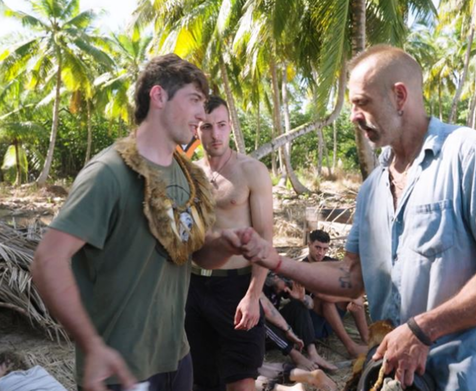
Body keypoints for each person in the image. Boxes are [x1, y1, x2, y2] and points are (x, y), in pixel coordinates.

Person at [241, 44, 476, 391]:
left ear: (399, 97)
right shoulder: (371, 191)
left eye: (361, 102)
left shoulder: (471, 155)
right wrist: (275, 261)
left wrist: (422, 330)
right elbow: (351, 276)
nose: (353, 115)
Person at [31, 54, 258, 391]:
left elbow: (195, 255)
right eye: (194, 100)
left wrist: (225, 243)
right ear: (158, 96)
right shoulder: (109, 173)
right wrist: (91, 346)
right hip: (120, 369)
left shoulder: (189, 177)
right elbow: (48, 262)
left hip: (177, 357)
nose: (201, 114)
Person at [185, 96, 272, 391]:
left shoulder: (251, 171)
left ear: (230, 126)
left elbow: (265, 238)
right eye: (207, 126)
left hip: (237, 288)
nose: (215, 134)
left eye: (222, 125)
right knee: (202, 379)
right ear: (197, 129)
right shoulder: (189, 175)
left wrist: (253, 296)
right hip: (195, 287)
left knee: (242, 381)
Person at [303, 230, 369, 358]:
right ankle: (351, 347)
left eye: (324, 249)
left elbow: (353, 282)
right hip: (313, 325)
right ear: (309, 244)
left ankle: (367, 339)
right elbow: (321, 295)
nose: (321, 252)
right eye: (317, 247)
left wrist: (354, 298)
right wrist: (352, 297)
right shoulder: (303, 268)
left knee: (350, 290)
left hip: (331, 323)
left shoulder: (331, 262)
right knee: (326, 300)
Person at [261, 274, 337, 371]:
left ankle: (313, 353)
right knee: (262, 317)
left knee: (298, 305)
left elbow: (310, 305)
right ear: (275, 277)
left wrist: (302, 298)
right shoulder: (261, 285)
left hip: (276, 333)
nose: (286, 289)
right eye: (286, 285)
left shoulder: (283, 284)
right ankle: (295, 355)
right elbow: (266, 313)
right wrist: (287, 329)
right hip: (260, 335)